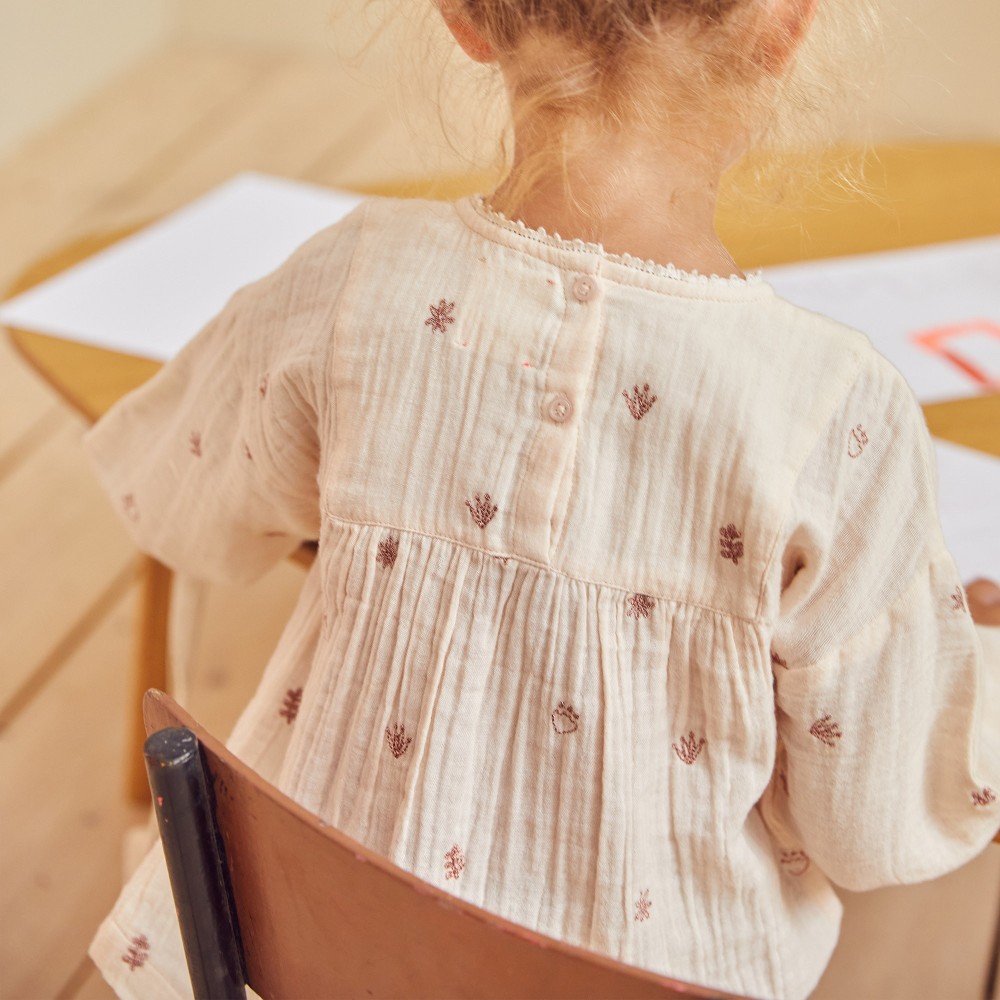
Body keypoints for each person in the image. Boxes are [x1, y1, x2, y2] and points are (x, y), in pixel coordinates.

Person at [87, 2, 1000, 998]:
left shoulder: (352, 281)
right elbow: (878, 822)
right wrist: (964, 650)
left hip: (321, 963)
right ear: (781, 26)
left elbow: (177, 507)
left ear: (467, 19)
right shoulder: (837, 408)